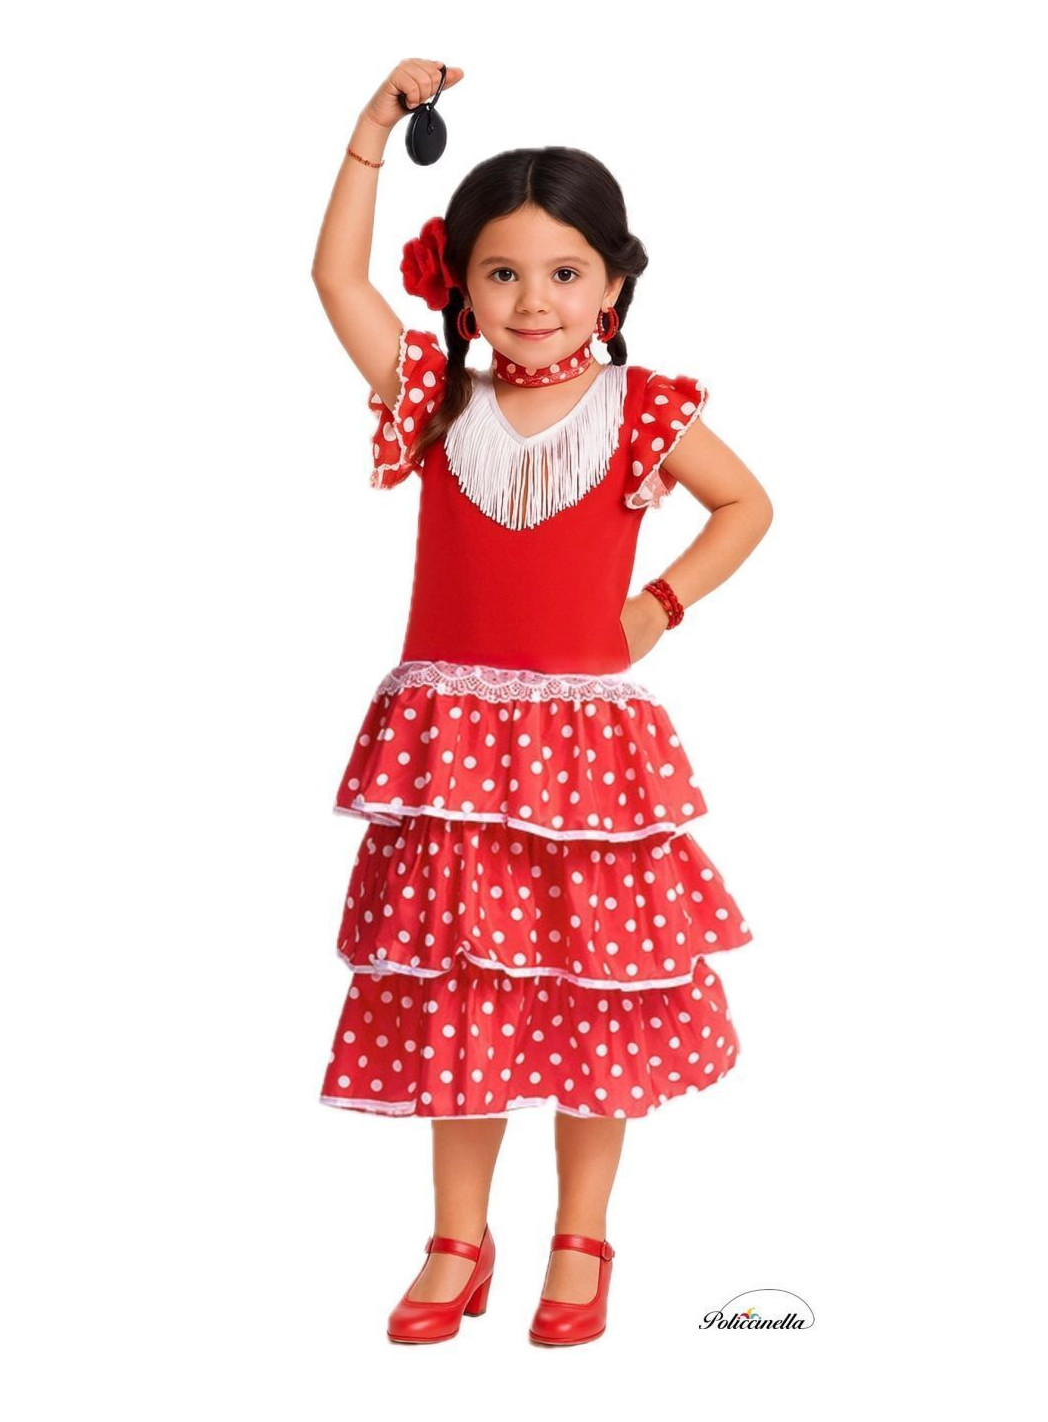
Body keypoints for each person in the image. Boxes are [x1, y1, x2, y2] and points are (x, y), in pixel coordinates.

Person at [310, 58, 774, 1347]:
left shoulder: (642, 410)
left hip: (583, 757)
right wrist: (370, 132)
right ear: (459, 286)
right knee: (462, 983)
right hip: (455, 753)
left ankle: (582, 1234)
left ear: (613, 285)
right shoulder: (436, 399)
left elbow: (748, 504)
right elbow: (336, 282)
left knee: (595, 986)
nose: (533, 301)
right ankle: (457, 1236)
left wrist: (658, 606)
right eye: (502, 273)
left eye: (565, 272)